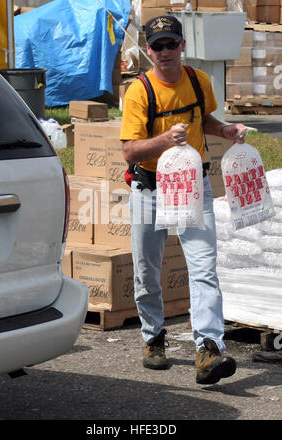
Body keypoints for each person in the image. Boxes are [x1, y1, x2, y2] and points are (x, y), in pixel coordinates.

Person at [120, 15, 247, 385]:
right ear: (147, 50)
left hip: (193, 186)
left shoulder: (198, 80)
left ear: (182, 46)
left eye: (170, 44)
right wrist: (163, 140)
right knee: (147, 271)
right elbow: (129, 151)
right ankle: (153, 337)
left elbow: (203, 118)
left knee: (204, 268)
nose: (165, 52)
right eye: (157, 46)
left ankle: (209, 348)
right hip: (150, 188)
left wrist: (224, 129)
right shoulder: (139, 91)